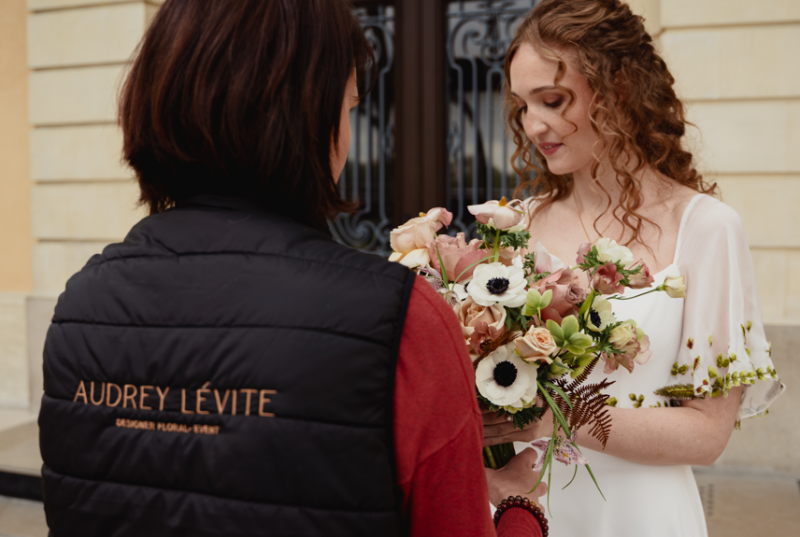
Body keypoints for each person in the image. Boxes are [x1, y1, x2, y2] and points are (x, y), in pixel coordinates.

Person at [37, 0, 547, 535]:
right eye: (348, 106)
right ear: (311, 115)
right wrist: (518, 508)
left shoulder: (82, 304)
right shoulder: (399, 320)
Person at [480, 1, 785, 536]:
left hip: (640, 517)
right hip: (524, 516)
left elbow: (707, 435)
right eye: (523, 105)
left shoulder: (705, 229)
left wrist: (557, 416)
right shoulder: (516, 227)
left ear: (618, 88)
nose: (533, 124)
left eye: (552, 100)